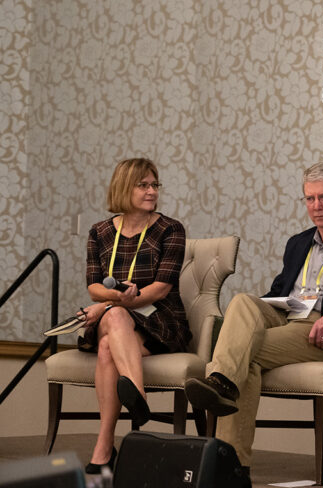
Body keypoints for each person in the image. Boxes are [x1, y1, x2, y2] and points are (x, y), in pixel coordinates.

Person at [184, 161, 323, 475]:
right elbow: (280, 290)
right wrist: (271, 304)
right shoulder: (297, 243)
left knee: (246, 358)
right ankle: (224, 387)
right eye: (309, 199)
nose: (317, 206)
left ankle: (231, 461)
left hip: (322, 331)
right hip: (287, 316)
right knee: (243, 301)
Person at [77, 158, 188, 474]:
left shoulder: (170, 229)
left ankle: (103, 447)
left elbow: (160, 290)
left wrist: (109, 306)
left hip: (160, 320)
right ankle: (137, 398)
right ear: (125, 187)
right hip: (118, 317)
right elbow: (94, 287)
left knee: (106, 347)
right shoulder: (99, 232)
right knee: (113, 320)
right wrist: (113, 301)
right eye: (144, 185)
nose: (152, 191)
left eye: (155, 185)